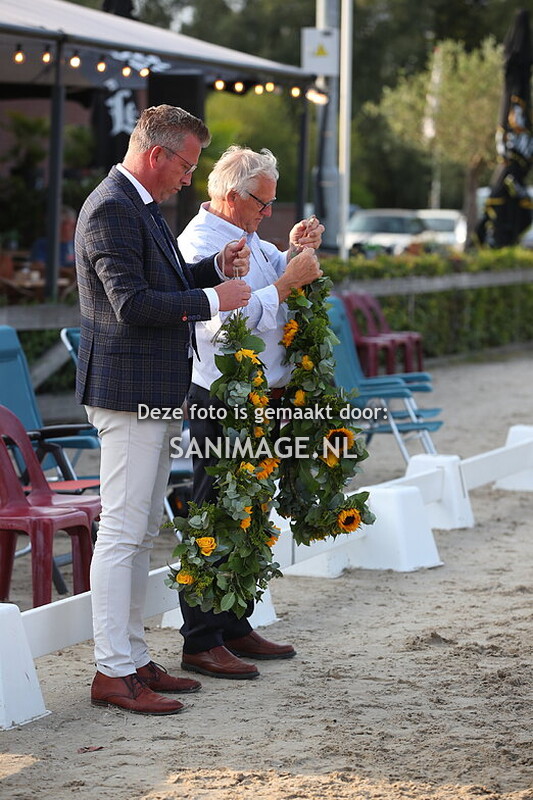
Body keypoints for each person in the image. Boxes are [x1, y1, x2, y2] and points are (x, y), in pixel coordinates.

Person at [75, 105, 252, 715]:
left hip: (150, 389)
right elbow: (131, 304)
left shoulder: (140, 205)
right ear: (157, 154)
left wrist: (210, 270)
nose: (189, 178)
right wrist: (213, 298)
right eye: (187, 165)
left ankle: (131, 657)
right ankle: (111, 670)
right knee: (122, 534)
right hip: (126, 391)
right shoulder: (110, 208)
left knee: (143, 531)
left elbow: (164, 282)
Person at [176, 145, 324, 680]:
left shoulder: (249, 235)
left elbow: (268, 285)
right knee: (214, 512)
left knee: (251, 510)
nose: (268, 212)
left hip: (259, 394)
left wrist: (292, 253)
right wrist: (286, 282)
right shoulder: (199, 243)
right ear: (232, 196)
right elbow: (223, 322)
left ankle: (235, 622)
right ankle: (200, 638)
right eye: (262, 204)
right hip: (222, 394)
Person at [31, 206, 77, 272]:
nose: (74, 227)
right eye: (70, 224)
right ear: (57, 225)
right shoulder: (43, 244)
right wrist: (67, 271)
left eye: (74, 223)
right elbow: (38, 266)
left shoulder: (77, 245)